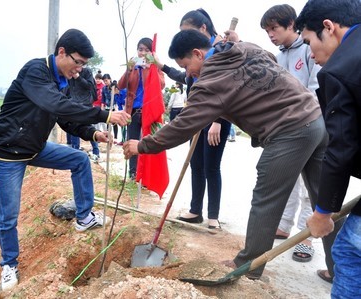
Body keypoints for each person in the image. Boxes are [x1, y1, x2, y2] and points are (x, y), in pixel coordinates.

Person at [123, 29, 338, 280]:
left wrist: (143, 145)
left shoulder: (211, 81)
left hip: (289, 131)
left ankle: (248, 269)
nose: (189, 73)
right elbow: (269, 57)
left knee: (266, 200)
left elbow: (183, 125)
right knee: (326, 204)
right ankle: (342, 270)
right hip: (315, 120)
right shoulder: (245, 47)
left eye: (187, 66)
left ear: (198, 53)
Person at [0, 28, 131, 291]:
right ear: (61, 52)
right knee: (8, 216)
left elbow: (65, 119)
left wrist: (93, 133)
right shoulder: (36, 72)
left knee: (79, 159)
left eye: (84, 65)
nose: (79, 70)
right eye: (77, 62)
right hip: (7, 154)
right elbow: (57, 106)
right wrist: (105, 116)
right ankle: (9, 264)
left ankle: (84, 217)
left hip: (34, 148)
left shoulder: (61, 82)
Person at [296, 1, 361, 297]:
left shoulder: (340, 69)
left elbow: (341, 149)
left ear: (329, 27)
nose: (311, 54)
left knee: (349, 249)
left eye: (309, 42)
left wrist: (323, 212)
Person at [154, 9, 231, 229]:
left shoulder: (221, 51)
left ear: (202, 29)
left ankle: (213, 215)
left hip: (217, 118)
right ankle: (195, 210)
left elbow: (224, 90)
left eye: (187, 33)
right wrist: (163, 67)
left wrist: (217, 120)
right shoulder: (195, 61)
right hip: (198, 115)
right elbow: (185, 76)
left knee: (211, 166)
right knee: (195, 163)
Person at [260, 4, 323, 266]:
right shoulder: (277, 56)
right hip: (286, 126)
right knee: (290, 179)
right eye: (267, 31)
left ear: (290, 24)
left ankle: (306, 237)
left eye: (274, 28)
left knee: (311, 185)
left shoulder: (310, 49)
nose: (271, 35)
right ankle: (284, 225)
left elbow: (317, 88)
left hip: (311, 123)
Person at [117, 37, 165, 180]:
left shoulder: (155, 68)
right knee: (132, 142)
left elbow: (161, 85)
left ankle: (146, 176)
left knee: (147, 143)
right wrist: (129, 69)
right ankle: (133, 174)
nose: (143, 53)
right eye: (140, 49)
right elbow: (120, 85)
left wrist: (151, 69)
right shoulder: (133, 68)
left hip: (149, 112)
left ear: (152, 52)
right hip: (133, 111)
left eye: (146, 50)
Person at [101, 73, 119, 141]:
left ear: (110, 79)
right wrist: (102, 106)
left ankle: (116, 137)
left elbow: (117, 96)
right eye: (104, 81)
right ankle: (109, 136)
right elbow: (103, 98)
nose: (105, 82)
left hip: (114, 106)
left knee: (114, 122)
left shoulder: (114, 87)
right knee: (108, 121)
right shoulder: (104, 88)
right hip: (107, 107)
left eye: (106, 80)